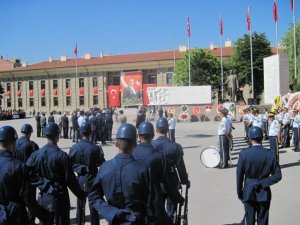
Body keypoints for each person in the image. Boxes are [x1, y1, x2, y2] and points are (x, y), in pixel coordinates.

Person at [88, 123, 151, 225]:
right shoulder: (142, 169)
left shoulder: (105, 168)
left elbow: (93, 197)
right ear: (135, 145)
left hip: (115, 220)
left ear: (116, 144)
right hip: (137, 220)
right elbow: (152, 200)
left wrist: (112, 213)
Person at [26, 122, 86, 225]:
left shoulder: (36, 154)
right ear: (57, 136)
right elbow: (70, 180)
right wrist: (81, 195)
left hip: (44, 196)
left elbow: (27, 173)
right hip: (60, 197)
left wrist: (43, 184)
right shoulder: (62, 156)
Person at [133, 122, 183, 225]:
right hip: (157, 194)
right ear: (152, 134)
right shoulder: (163, 153)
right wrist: (178, 196)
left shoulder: (132, 153)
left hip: (138, 198)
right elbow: (170, 179)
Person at [0, 126, 50, 225]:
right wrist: (44, 215)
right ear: (13, 143)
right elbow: (28, 199)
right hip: (15, 215)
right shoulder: (18, 166)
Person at [236, 126, 282, 225]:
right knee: (263, 220)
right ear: (262, 138)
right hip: (264, 191)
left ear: (250, 138)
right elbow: (277, 175)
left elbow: (239, 176)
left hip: (248, 191)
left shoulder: (244, 154)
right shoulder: (270, 154)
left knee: (249, 220)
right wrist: (262, 184)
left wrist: (240, 193)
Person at [152, 117, 190, 221]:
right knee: (171, 212)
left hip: (155, 183)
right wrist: (185, 180)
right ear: (167, 130)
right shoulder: (175, 146)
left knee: (157, 211)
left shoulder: (151, 146)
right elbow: (180, 167)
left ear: (156, 130)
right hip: (172, 182)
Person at [69, 123, 105, 225]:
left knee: (80, 204)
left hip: (80, 179)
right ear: (90, 132)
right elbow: (103, 164)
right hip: (93, 178)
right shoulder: (96, 148)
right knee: (93, 204)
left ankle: (80, 222)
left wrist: (80, 168)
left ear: (80, 133)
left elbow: (70, 164)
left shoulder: (74, 147)